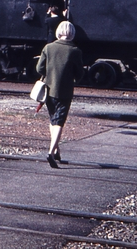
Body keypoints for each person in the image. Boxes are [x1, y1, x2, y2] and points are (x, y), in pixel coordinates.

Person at [36, 21, 85, 168]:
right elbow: (80, 75)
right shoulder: (75, 51)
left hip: (49, 90)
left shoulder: (48, 48)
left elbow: (39, 68)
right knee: (59, 121)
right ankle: (51, 152)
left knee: (53, 120)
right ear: (72, 33)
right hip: (65, 91)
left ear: (58, 32)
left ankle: (56, 150)